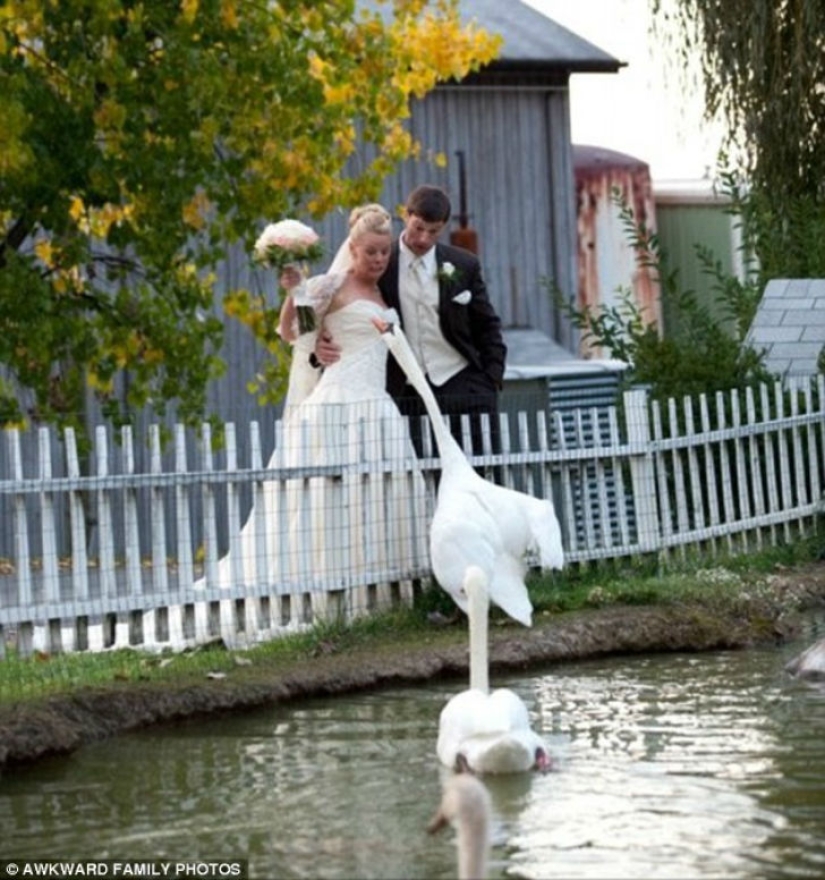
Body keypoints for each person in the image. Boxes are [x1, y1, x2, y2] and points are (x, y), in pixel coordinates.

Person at [196, 205, 429, 622]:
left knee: (376, 493)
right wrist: (298, 301)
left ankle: (379, 592)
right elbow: (293, 331)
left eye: (384, 253)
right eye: (370, 252)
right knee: (327, 494)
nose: (378, 260)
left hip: (377, 406)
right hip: (338, 402)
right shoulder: (331, 286)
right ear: (353, 249)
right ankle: (320, 592)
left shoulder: (381, 294)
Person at [315, 185, 507, 463]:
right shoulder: (380, 261)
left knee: (481, 476)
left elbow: (488, 326)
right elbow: (337, 304)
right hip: (402, 392)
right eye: (418, 228)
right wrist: (318, 344)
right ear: (406, 215)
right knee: (418, 484)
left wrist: (491, 379)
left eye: (434, 231)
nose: (424, 238)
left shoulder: (464, 265)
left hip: (462, 386)